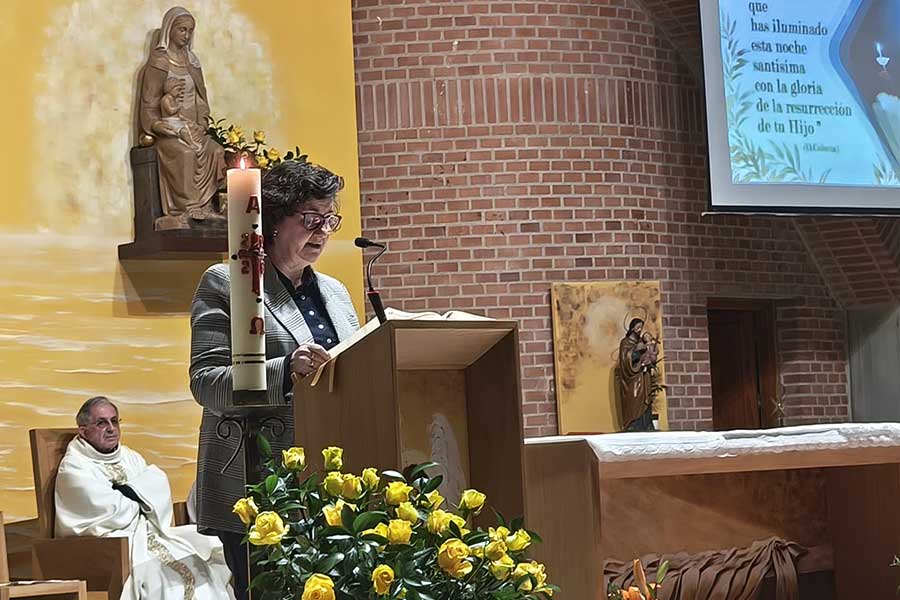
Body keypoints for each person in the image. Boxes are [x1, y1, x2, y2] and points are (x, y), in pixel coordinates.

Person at [189, 160, 360, 599]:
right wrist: (286, 370)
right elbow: (205, 382)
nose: (322, 231)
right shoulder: (228, 282)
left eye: (330, 220)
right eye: (311, 219)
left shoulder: (336, 293)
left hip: (330, 483)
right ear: (275, 220)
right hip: (259, 483)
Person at [54, 397, 234, 600]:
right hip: (110, 544)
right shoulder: (75, 467)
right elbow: (107, 510)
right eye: (101, 423)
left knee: (204, 558)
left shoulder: (129, 457)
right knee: (160, 579)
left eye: (115, 421)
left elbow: (158, 482)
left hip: (147, 532)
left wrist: (127, 494)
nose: (111, 429)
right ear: (83, 430)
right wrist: (140, 497)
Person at [137, 6, 225, 226]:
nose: (186, 35)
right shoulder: (159, 62)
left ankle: (206, 207)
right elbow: (149, 103)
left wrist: (202, 123)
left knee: (216, 151)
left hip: (193, 129)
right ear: (169, 30)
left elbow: (200, 99)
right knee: (186, 154)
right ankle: (185, 208)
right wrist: (157, 125)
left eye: (190, 31)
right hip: (168, 131)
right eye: (182, 30)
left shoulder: (193, 62)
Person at [616, 318, 656, 432]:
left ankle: (647, 424)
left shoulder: (642, 342)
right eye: (638, 327)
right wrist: (636, 350)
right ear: (632, 328)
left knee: (646, 399)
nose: (640, 330)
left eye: (641, 327)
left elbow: (651, 354)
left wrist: (649, 358)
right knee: (634, 399)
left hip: (644, 376)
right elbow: (625, 360)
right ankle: (633, 424)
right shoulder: (625, 342)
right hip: (632, 378)